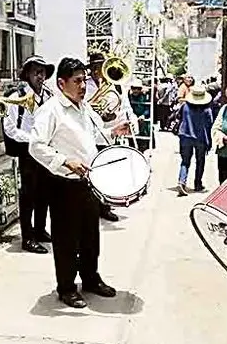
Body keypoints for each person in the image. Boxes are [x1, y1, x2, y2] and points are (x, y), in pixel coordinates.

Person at [29, 57, 130, 308]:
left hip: (88, 181)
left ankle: (91, 279)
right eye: (77, 81)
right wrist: (65, 161)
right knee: (66, 239)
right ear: (62, 83)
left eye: (84, 80)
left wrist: (114, 132)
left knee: (90, 236)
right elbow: (36, 146)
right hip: (63, 184)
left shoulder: (84, 108)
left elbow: (93, 137)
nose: (83, 86)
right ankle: (66, 287)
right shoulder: (50, 110)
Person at [4, 55, 56, 254]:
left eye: (42, 72)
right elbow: (9, 128)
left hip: (45, 150)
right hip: (27, 150)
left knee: (44, 193)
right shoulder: (17, 95)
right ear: (27, 74)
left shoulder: (49, 95)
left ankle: (40, 230)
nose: (40, 76)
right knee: (28, 196)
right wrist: (32, 139)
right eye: (36, 72)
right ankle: (28, 237)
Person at [85, 51, 135, 222]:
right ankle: (92, 206)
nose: (97, 71)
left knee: (108, 172)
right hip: (91, 136)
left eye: (99, 67)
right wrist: (99, 116)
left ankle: (105, 207)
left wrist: (125, 121)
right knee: (92, 172)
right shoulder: (85, 86)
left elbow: (125, 107)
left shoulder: (117, 86)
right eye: (94, 68)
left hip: (111, 135)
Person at [177, 83, 214, 196]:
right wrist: (210, 142)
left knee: (185, 161)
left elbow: (179, 117)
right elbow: (209, 126)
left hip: (185, 136)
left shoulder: (185, 106)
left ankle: (181, 181)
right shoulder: (207, 110)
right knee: (200, 161)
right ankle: (197, 184)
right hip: (201, 138)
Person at [128, 78, 152, 152]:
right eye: (133, 88)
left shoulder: (145, 96)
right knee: (132, 139)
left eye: (138, 88)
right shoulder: (129, 97)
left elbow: (148, 108)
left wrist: (143, 115)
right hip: (132, 119)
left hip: (143, 120)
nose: (135, 90)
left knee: (143, 138)